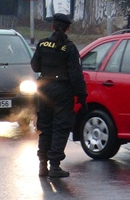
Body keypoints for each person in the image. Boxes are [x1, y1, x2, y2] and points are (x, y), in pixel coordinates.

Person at [30, 13, 88, 178]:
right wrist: (82, 98)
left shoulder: (42, 44)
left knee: (45, 128)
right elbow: (76, 75)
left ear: (52, 26)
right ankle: (55, 166)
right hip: (63, 92)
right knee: (60, 128)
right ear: (68, 28)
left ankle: (43, 166)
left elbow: (35, 67)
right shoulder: (69, 47)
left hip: (44, 90)